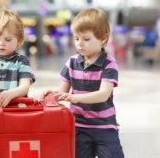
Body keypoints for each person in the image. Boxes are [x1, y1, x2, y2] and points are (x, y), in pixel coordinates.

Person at [45, 8, 124, 158]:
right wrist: (51, 95)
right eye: (76, 39)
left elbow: (103, 95)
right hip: (78, 127)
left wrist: (74, 98)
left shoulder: (109, 63)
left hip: (104, 127)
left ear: (103, 39)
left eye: (86, 39)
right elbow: (61, 93)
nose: (80, 44)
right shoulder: (72, 62)